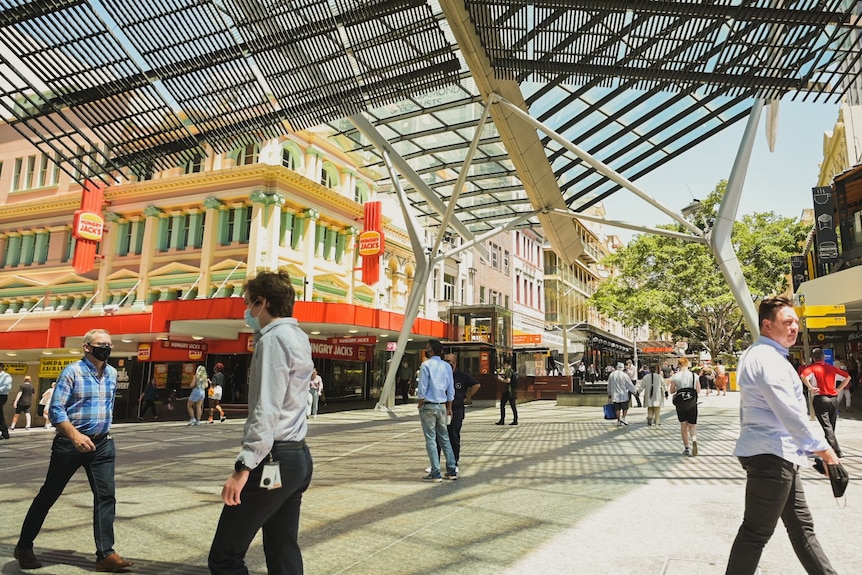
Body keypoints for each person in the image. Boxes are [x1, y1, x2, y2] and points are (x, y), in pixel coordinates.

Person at [208, 269, 314, 575]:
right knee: (282, 548)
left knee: (225, 557)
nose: (247, 311)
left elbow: (267, 408)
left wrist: (243, 467)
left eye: (248, 303)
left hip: (273, 460)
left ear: (261, 302)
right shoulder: (298, 336)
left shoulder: (274, 340)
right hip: (297, 458)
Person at [725, 297, 840, 575]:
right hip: (771, 456)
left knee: (802, 529)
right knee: (755, 533)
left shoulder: (766, 355)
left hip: (778, 455)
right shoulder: (766, 358)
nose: (794, 328)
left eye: (796, 322)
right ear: (767, 325)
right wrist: (822, 449)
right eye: (787, 322)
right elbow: (787, 411)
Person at [15, 328, 133, 572]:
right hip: (70, 443)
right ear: (87, 347)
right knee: (50, 493)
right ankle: (24, 546)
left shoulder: (111, 373)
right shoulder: (72, 372)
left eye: (109, 344)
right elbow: (56, 410)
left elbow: (107, 407)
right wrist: (75, 435)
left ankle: (105, 554)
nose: (107, 348)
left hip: (102, 444)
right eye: (102, 344)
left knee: (106, 496)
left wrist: (104, 433)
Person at [417, 339, 457, 482]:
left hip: (428, 405)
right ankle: (452, 469)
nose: (426, 350)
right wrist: (449, 407)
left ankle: (435, 472)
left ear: (431, 350)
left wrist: (420, 402)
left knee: (431, 440)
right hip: (442, 405)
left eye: (427, 348)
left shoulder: (425, 365)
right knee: (444, 438)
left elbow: (422, 387)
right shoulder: (446, 366)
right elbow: (450, 389)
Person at [800, 347, 850, 458]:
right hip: (833, 399)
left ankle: (836, 450)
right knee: (831, 426)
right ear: (823, 357)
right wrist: (838, 389)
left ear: (813, 358)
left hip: (820, 398)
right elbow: (847, 377)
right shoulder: (832, 368)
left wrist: (810, 387)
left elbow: (803, 376)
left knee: (827, 427)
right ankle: (832, 447)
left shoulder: (812, 368)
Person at [437, 354, 480, 472]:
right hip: (441, 410)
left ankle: (453, 462)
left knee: (453, 437)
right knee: (438, 438)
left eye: (449, 361)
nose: (447, 363)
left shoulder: (462, 376)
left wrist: (467, 396)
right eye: (445, 360)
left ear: (455, 363)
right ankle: (435, 463)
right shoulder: (440, 375)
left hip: (457, 411)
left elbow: (476, 385)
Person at [669, 357, 700, 456]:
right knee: (692, 425)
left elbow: (672, 391)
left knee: (683, 424)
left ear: (679, 365)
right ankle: (694, 439)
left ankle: (686, 448)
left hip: (680, 404)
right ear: (688, 364)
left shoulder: (675, 376)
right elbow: (698, 390)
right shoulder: (694, 375)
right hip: (692, 402)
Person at [607, 362, 637, 426]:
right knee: (625, 407)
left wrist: (609, 393)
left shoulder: (612, 375)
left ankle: (618, 420)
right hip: (623, 394)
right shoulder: (624, 375)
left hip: (615, 395)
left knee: (617, 408)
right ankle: (623, 418)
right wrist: (635, 392)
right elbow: (629, 385)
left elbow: (609, 385)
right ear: (623, 368)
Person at [495, 359, 518, 426]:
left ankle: (502, 420)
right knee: (513, 406)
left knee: (502, 405)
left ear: (506, 364)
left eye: (504, 364)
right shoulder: (513, 371)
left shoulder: (508, 371)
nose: (503, 366)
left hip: (508, 391)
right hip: (513, 391)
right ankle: (515, 420)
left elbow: (508, 381)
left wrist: (501, 379)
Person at [0, 365, 10, 440]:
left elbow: (7, 387)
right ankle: (4, 432)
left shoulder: (6, 376)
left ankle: (5, 432)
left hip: (2, 396)